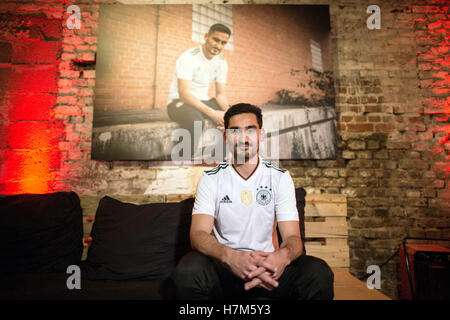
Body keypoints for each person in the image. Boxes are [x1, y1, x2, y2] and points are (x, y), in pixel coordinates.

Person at [171, 103, 334, 299]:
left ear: (261, 135)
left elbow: (293, 239)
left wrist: (279, 260)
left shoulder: (279, 177)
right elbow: (198, 235)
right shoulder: (211, 178)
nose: (243, 138)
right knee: (189, 270)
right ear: (225, 137)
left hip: (268, 269)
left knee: (318, 272)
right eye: (235, 131)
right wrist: (231, 257)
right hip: (226, 270)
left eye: (250, 130)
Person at [167, 23, 231, 158]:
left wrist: (229, 114)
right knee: (196, 122)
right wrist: (213, 113)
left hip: (203, 100)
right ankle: (184, 162)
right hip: (179, 102)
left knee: (231, 119)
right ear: (206, 37)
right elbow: (184, 94)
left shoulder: (221, 62)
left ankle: (219, 160)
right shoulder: (189, 57)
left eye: (223, 43)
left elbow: (220, 94)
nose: (218, 46)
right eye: (216, 40)